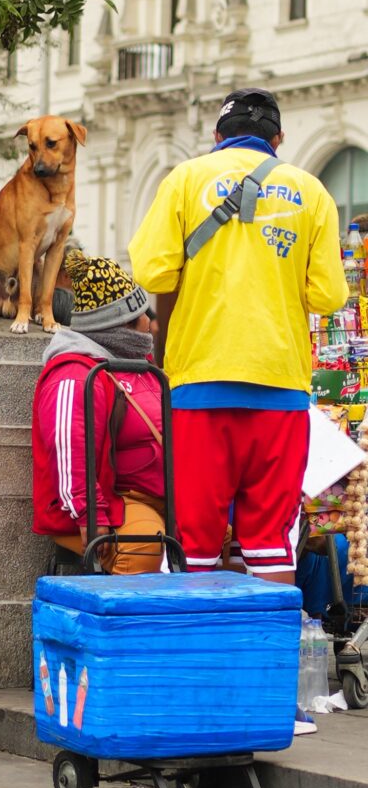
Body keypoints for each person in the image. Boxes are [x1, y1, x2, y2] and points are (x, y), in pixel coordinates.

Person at [129, 87, 348, 584]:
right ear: (279, 138)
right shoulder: (312, 192)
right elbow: (328, 297)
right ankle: (269, 662)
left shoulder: (185, 179)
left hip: (199, 386)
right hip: (281, 389)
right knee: (272, 541)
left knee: (197, 542)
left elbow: (153, 273)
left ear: (217, 136)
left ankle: (197, 659)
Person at [32, 251, 165, 574]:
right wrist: (92, 517)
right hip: (111, 503)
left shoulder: (137, 366)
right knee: (143, 543)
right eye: (143, 316)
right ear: (122, 326)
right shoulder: (75, 372)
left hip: (152, 496)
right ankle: (128, 624)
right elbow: (70, 448)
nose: (152, 325)